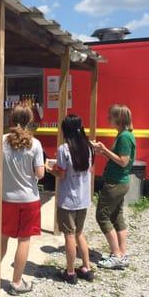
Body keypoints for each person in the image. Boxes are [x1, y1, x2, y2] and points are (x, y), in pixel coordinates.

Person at [1, 105, 45, 296]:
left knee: (2, 237)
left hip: (6, 197)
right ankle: (17, 282)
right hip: (29, 198)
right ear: (29, 120)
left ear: (11, 119)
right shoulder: (35, 144)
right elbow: (40, 173)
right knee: (23, 240)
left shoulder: (2, 141)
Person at [46, 115, 95, 284]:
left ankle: (70, 271)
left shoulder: (64, 149)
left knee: (69, 235)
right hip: (83, 198)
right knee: (79, 233)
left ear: (64, 130)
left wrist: (48, 168)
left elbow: (61, 173)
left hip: (68, 199)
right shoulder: (88, 147)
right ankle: (87, 267)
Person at [93, 104, 136, 270]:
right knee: (117, 217)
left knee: (102, 216)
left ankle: (116, 254)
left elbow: (123, 161)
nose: (108, 118)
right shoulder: (125, 134)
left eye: (110, 116)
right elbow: (119, 159)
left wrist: (104, 149)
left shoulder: (124, 137)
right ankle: (122, 254)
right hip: (120, 181)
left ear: (118, 119)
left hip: (115, 183)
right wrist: (103, 151)